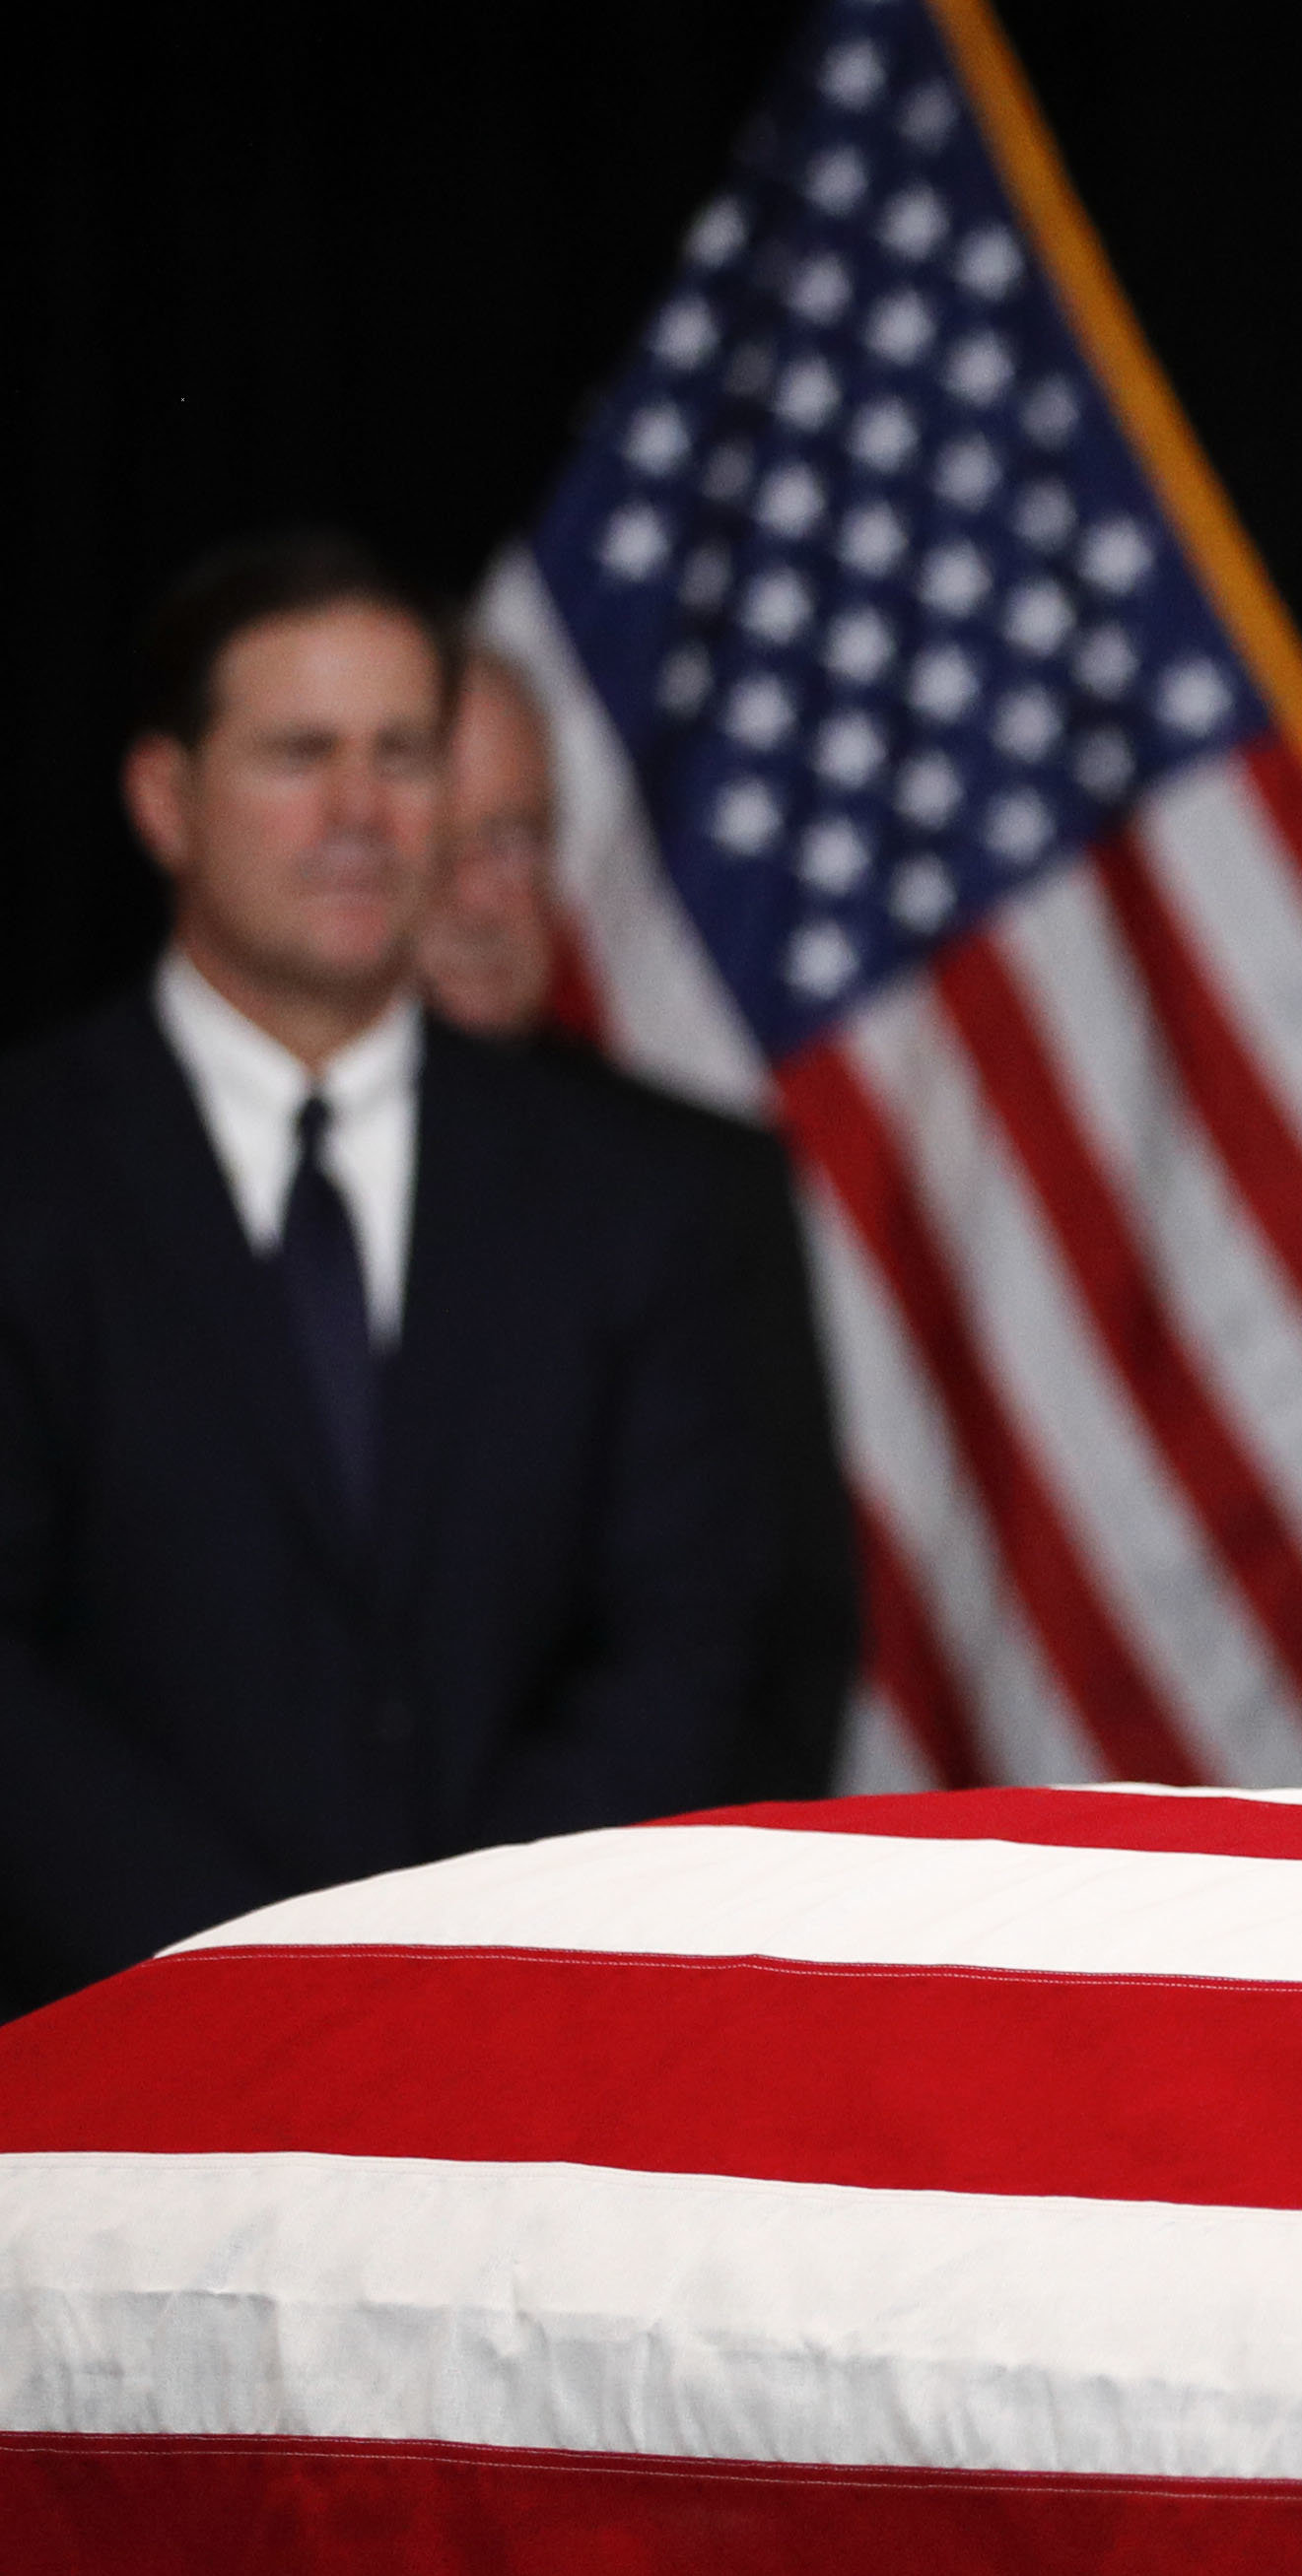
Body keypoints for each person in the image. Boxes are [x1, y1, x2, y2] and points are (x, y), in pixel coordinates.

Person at [0, 532, 781, 2015]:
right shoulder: (30, 1170)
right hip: (96, 2067)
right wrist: (243, 1984)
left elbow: (684, 1642)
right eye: (301, 755)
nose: (360, 814)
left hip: (522, 2047)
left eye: (403, 757)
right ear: (168, 800)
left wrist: (442, 1972)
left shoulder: (639, 1195)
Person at [427, 640, 859, 1800]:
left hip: (595, 1918)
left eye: (515, 840)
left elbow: (771, 1646)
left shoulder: (697, 1193)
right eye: (438, 843)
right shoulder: (143, 1172)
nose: (481, 897)